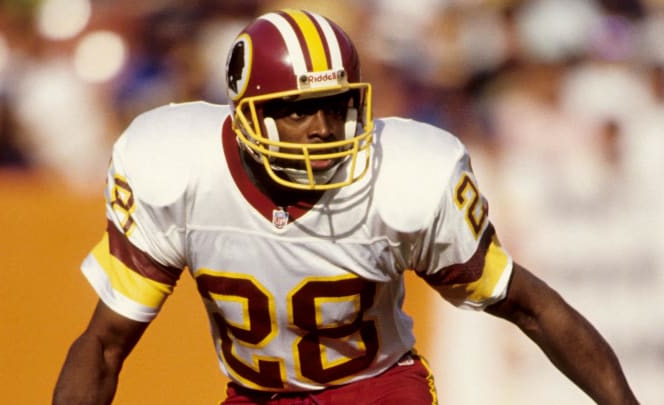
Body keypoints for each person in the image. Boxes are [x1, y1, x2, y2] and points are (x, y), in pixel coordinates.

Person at [53, 9, 638, 405]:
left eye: (335, 105)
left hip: (376, 391)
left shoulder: (402, 176)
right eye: (299, 109)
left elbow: (530, 306)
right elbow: (103, 345)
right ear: (246, 111)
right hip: (256, 397)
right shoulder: (176, 168)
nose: (322, 127)